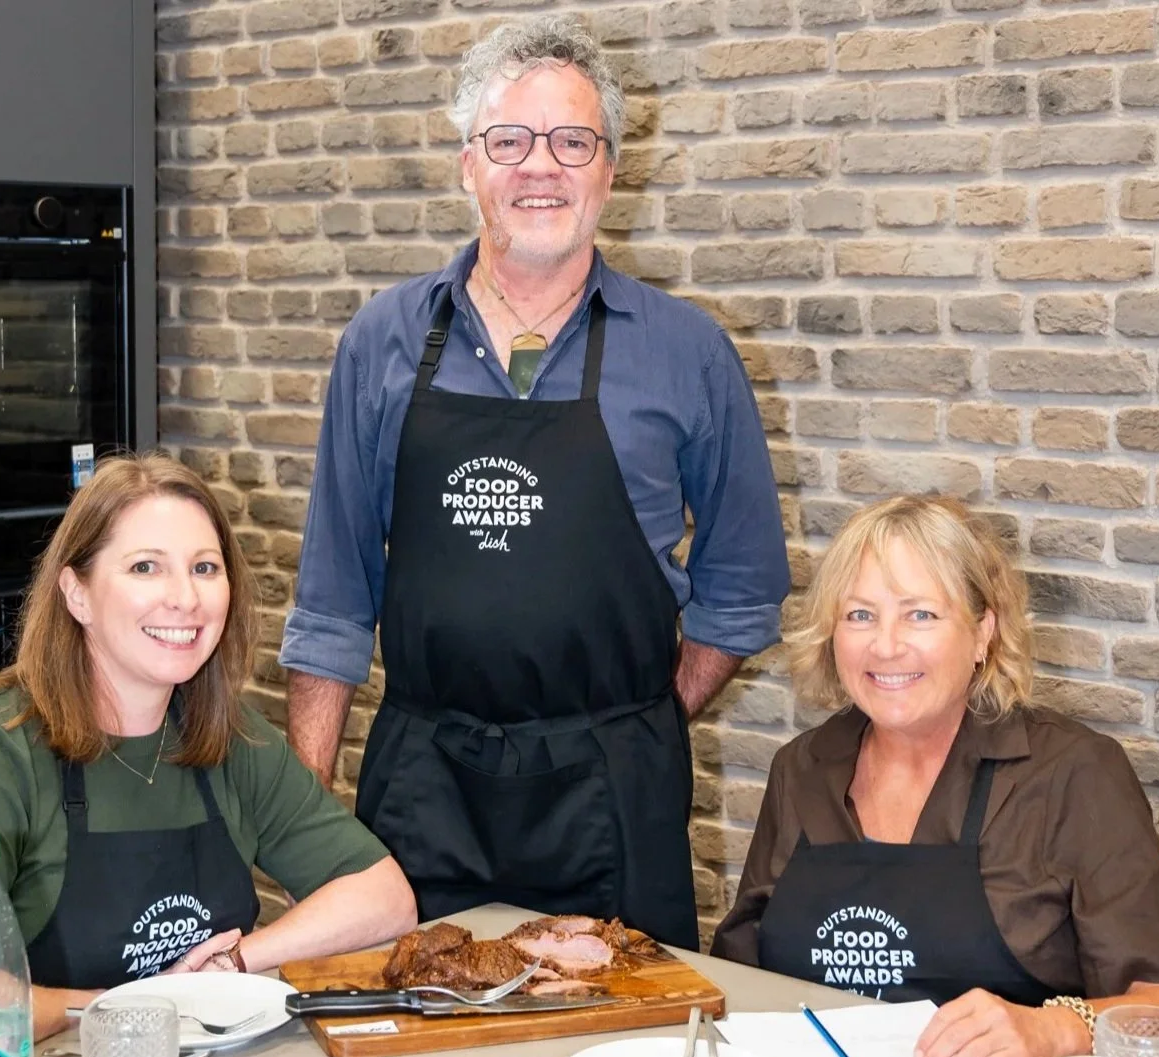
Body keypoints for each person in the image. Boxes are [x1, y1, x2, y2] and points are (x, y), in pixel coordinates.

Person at [279, 16, 789, 950]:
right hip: (424, 781)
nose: (539, 167)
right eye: (509, 140)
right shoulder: (383, 341)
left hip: (613, 790)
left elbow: (745, 589)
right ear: (468, 164)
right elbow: (332, 597)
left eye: (571, 142)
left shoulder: (686, 351)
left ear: (609, 168)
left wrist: (638, 718)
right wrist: (306, 806)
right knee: (404, 1052)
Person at [0, 455, 416, 1057]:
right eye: (144, 567)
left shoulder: (224, 733)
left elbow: (385, 899)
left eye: (204, 568)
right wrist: (143, 1008)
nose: (184, 598)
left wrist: (234, 962)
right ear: (76, 593)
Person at [712, 496, 1159, 1057]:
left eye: (920, 615)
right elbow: (741, 976)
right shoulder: (801, 769)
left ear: (982, 633)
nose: (885, 646)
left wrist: (1049, 1031)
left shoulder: (1074, 774)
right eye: (860, 615)